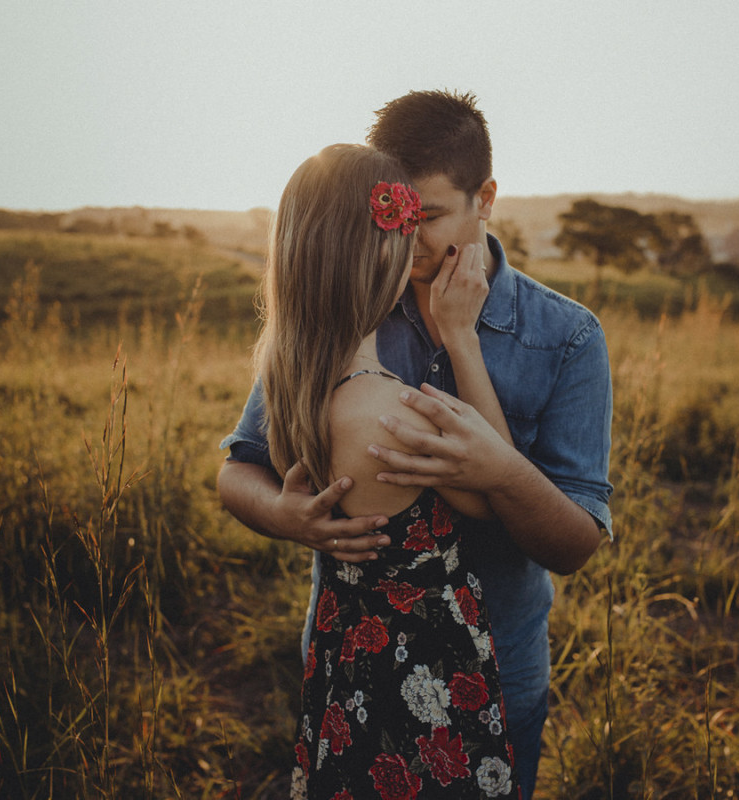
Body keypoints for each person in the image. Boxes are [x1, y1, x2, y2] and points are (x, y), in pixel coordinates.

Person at [219, 91, 614, 798]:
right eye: (392, 219)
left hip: (499, 670)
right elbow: (240, 469)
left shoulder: (568, 338)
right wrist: (287, 517)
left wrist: (500, 463)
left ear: (485, 197)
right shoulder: (347, 315)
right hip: (348, 665)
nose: (410, 240)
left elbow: (576, 546)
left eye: (426, 218)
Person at [251, 143, 521, 798]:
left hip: (348, 665)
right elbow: (499, 484)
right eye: (405, 231)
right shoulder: (390, 415)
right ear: (383, 256)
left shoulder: (294, 385)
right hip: (420, 685)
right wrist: (461, 337)